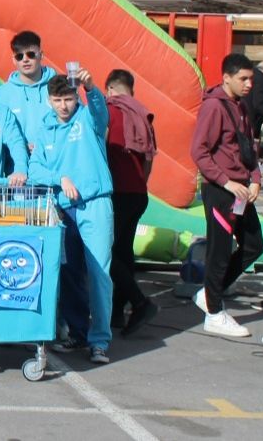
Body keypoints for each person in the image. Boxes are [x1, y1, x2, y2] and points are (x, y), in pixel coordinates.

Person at [29, 71, 114, 364]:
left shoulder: (86, 119)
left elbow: (101, 112)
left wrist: (90, 87)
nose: (64, 106)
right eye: (58, 100)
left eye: (68, 99)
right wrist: (59, 177)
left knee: (99, 273)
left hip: (94, 204)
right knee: (68, 272)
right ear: (49, 100)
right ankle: (78, 332)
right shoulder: (45, 128)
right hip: (63, 208)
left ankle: (100, 340)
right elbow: (34, 169)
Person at [191, 53, 263, 339]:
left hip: (242, 191)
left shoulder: (240, 106)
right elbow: (199, 151)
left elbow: (249, 146)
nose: (248, 84)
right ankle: (214, 312)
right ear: (227, 78)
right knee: (219, 252)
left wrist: (255, 179)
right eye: (243, 79)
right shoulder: (214, 107)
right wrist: (226, 181)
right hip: (222, 191)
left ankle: (210, 292)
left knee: (254, 246)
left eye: (251, 79)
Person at [103, 69, 158, 335]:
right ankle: (117, 313)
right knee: (124, 251)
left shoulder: (110, 111)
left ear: (109, 89)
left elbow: (100, 148)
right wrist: (141, 183)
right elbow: (149, 157)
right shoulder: (143, 114)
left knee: (104, 251)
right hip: (138, 192)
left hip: (116, 191)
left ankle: (140, 301)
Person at [0, 30, 58, 144]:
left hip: (54, 158)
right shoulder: (1, 94)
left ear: (41, 55)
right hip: (17, 159)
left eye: (31, 54)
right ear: (14, 60)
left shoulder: (60, 87)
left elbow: (76, 123)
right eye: (19, 56)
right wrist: (20, 147)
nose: (25, 60)